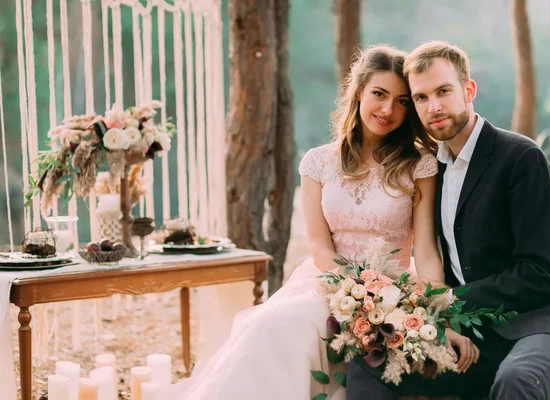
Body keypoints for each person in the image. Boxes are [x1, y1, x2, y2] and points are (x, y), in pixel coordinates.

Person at [154, 44, 449, 400]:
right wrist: (356, 292)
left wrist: (438, 303)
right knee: (276, 326)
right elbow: (321, 246)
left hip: (394, 289)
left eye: (402, 101)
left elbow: (428, 248)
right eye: (379, 94)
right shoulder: (318, 162)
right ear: (358, 92)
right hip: (327, 282)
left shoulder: (419, 165)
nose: (388, 109)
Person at [347, 40, 550, 400]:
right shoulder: (432, 170)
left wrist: (452, 300)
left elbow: (544, 272)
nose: (434, 106)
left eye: (444, 91)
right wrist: (438, 319)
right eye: (421, 97)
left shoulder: (520, 157)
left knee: (517, 380)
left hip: (543, 321)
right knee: (368, 362)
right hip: (478, 332)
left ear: (468, 89)